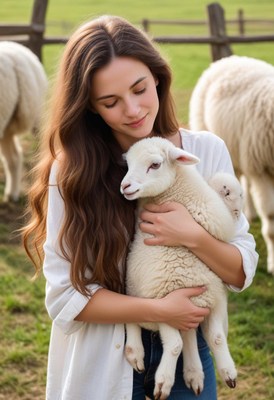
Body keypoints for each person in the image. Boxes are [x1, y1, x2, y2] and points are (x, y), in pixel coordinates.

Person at [22, 15, 258, 400]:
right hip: (103, 357)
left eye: (140, 89)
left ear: (158, 78)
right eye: (111, 102)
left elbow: (239, 271)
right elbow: (64, 297)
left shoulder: (203, 151)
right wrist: (160, 309)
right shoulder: (72, 172)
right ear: (91, 107)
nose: (132, 110)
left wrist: (194, 236)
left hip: (189, 354)